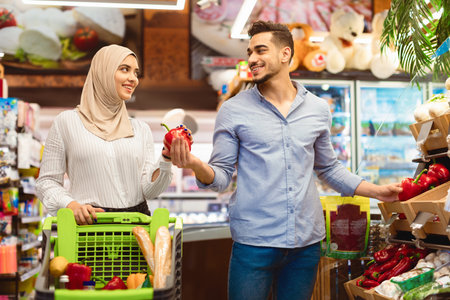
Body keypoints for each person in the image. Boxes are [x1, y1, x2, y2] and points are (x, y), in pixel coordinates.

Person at [168, 21, 403, 300]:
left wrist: (377, 191)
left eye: (260, 50)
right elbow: (219, 177)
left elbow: (329, 168)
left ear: (285, 54)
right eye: (249, 52)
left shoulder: (317, 109)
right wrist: (195, 164)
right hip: (254, 244)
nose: (252, 59)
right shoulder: (233, 111)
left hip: (306, 244)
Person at [36, 44, 173, 225]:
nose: (133, 79)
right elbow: (46, 182)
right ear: (103, 72)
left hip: (136, 227)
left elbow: (149, 191)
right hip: (89, 226)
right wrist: (71, 205)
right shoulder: (66, 123)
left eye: (136, 73)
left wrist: (166, 158)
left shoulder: (141, 129)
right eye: (125, 69)